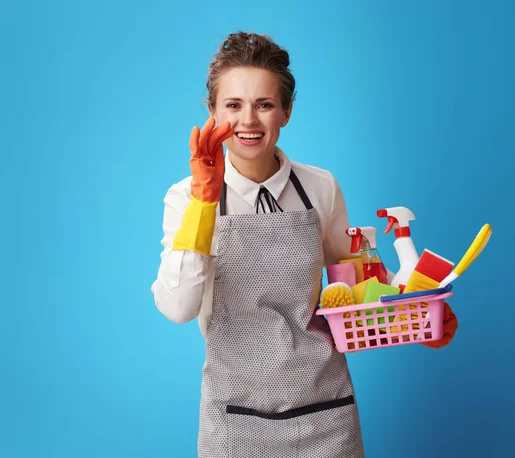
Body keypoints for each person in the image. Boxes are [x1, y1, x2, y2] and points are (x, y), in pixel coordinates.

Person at [151, 31, 458, 458]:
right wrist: (205, 204)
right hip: (234, 420)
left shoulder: (321, 187)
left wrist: (415, 316)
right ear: (212, 112)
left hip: (326, 414)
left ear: (287, 111)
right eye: (233, 105)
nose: (249, 121)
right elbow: (179, 307)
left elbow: (357, 288)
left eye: (265, 104)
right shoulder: (186, 197)